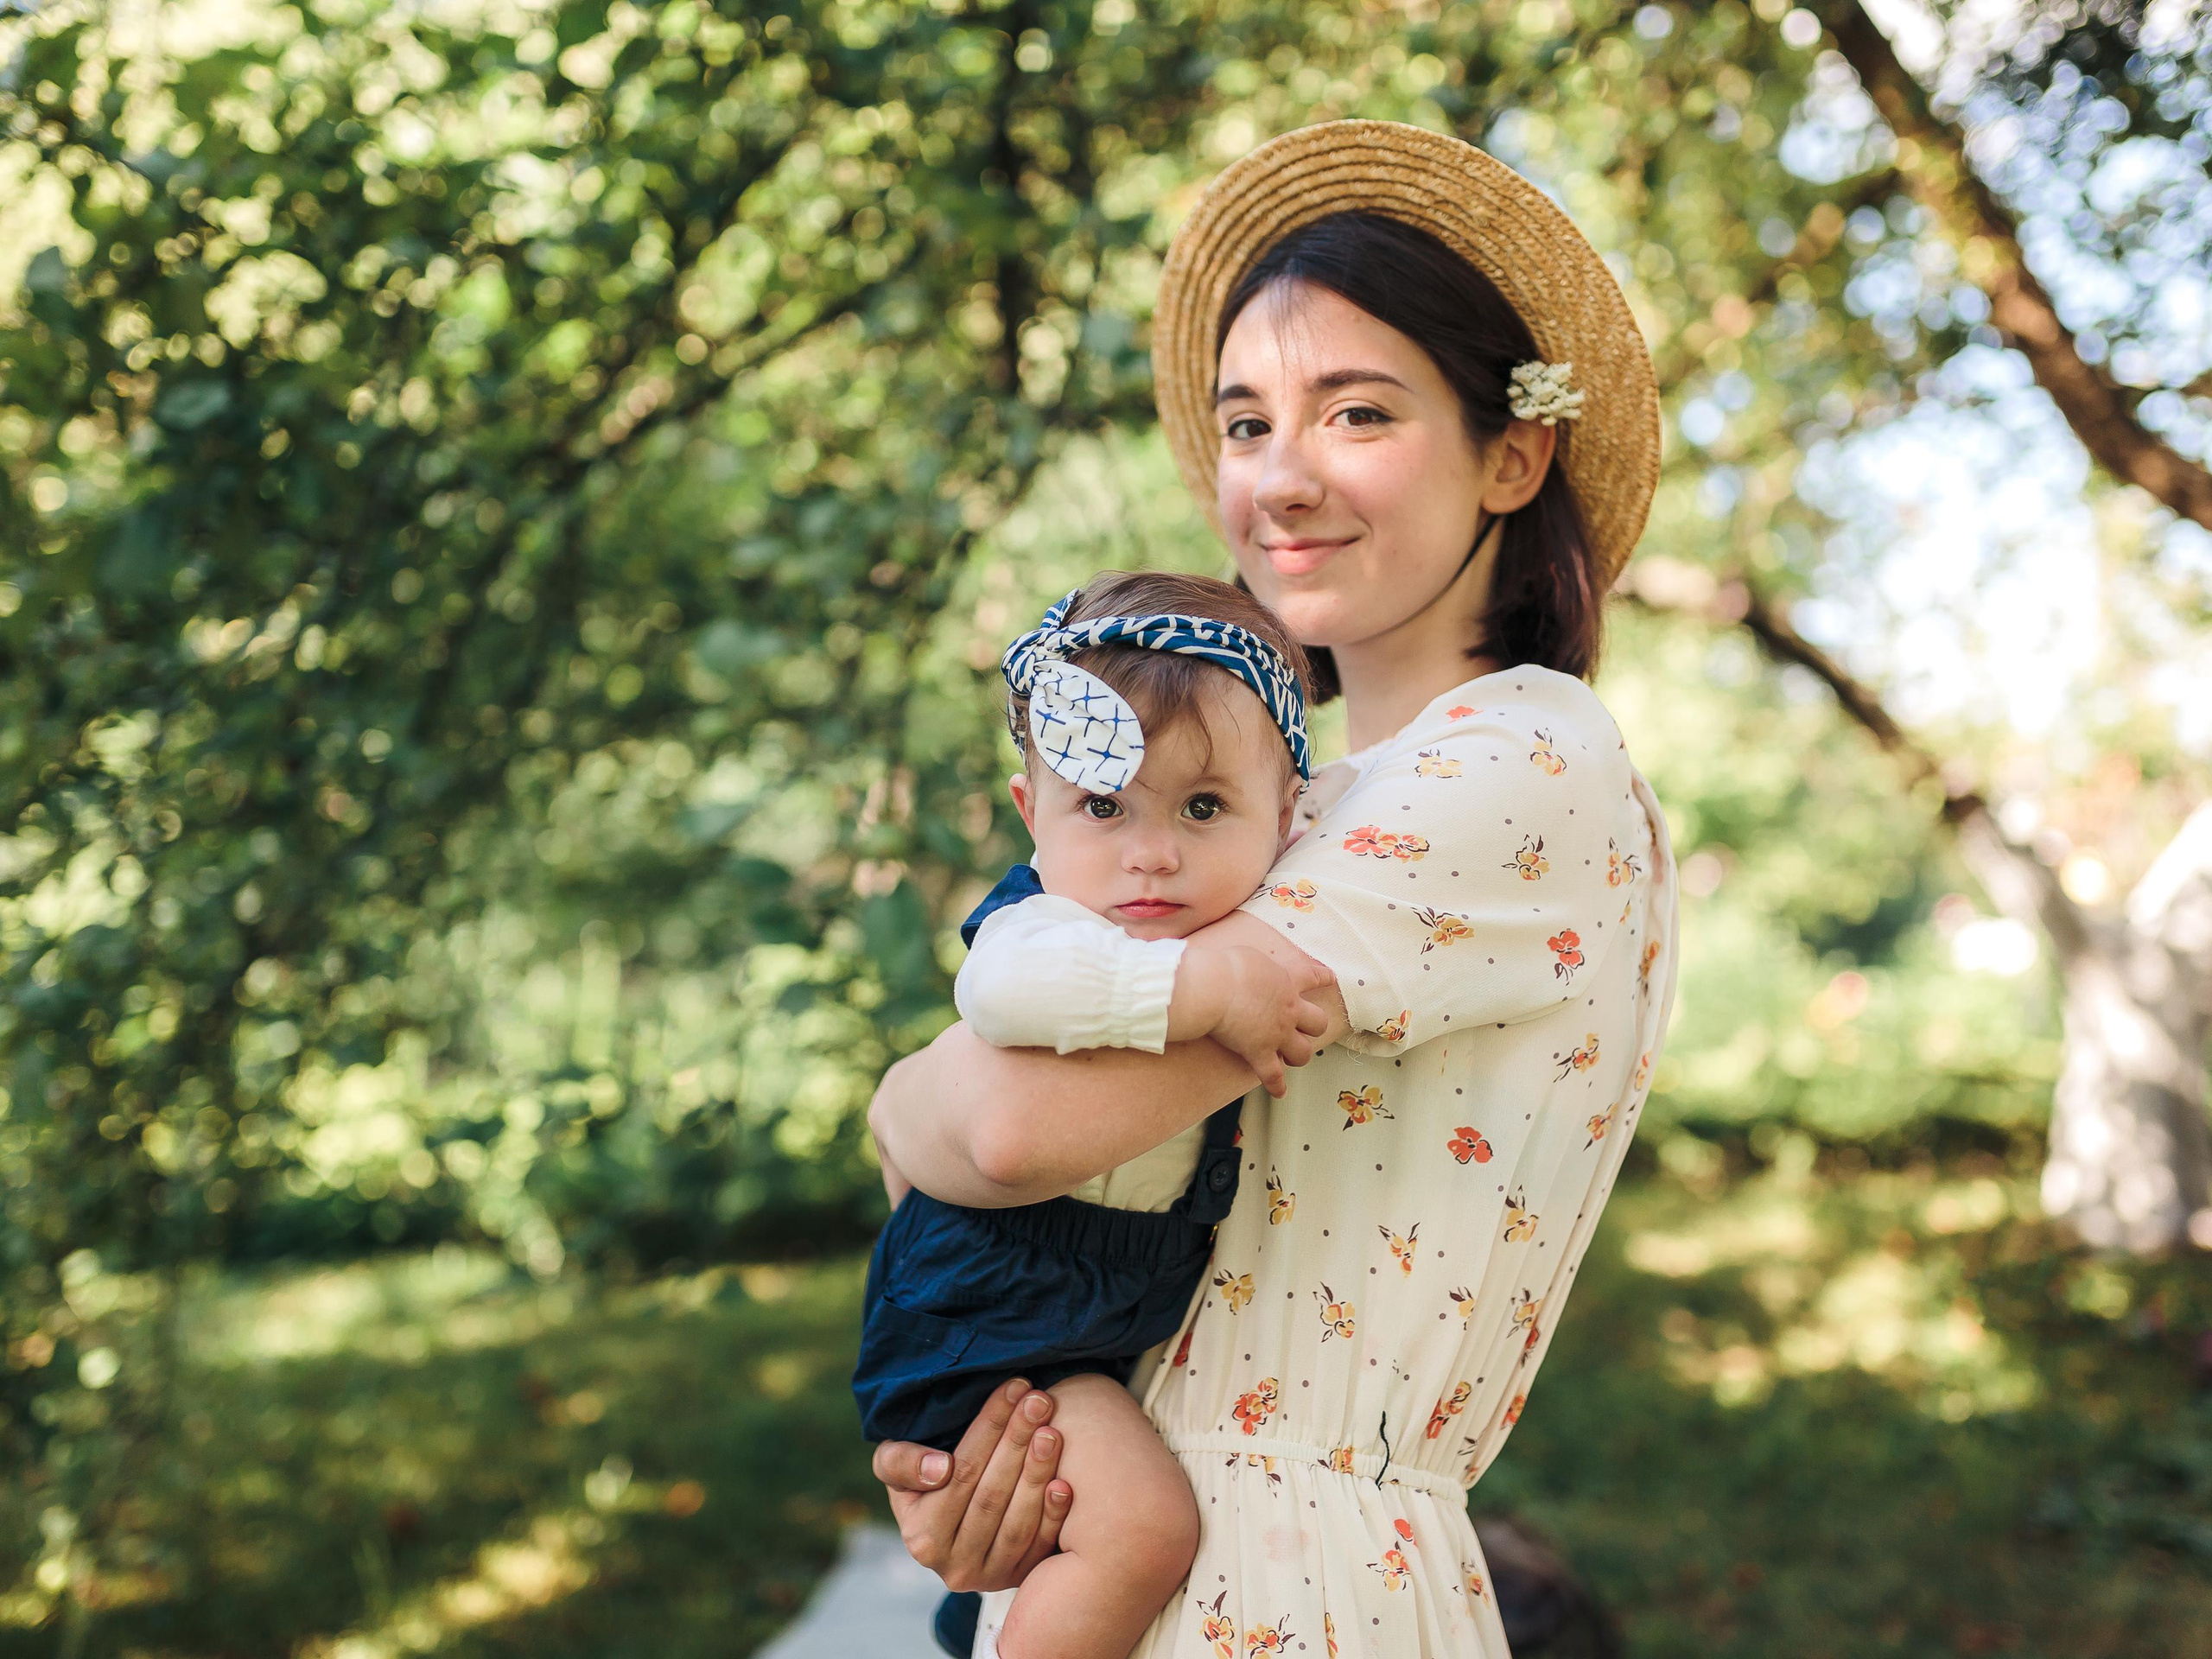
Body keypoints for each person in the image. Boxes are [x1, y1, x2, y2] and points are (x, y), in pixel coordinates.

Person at [866, 120, 1679, 1657]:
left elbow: (1008, 1125)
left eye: (1356, 413)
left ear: (1515, 454)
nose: (1281, 479)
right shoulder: (1281, 814)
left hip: (1285, 1581)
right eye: (1248, 426)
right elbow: (972, 1141)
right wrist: (978, 1445)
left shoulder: (1519, 758)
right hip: (1126, 1528)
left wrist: (909, 1100)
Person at [853, 571, 1336, 1659]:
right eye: (1102, 807)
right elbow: (1002, 996)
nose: (1150, 852)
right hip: (986, 1312)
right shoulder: (1045, 932)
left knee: (1041, 1539)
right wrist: (1208, 994)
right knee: (1142, 1530)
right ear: (1034, 817)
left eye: (1203, 807)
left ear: (1288, 820)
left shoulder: (1270, 881)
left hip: (1081, 1312)